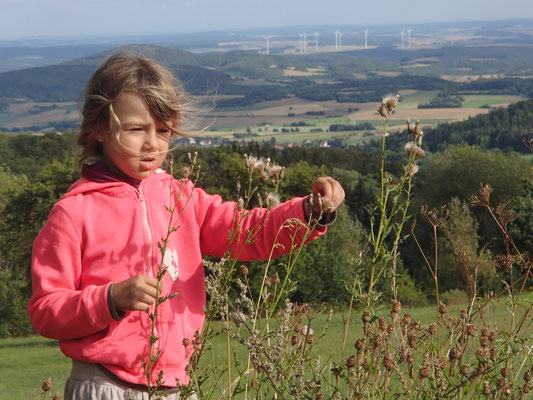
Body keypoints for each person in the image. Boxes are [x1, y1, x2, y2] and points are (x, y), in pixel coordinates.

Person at [28, 53, 345, 399]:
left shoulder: (182, 199)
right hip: (103, 385)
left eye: (163, 131)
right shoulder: (74, 213)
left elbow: (247, 234)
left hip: (174, 387)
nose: (152, 143)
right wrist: (109, 299)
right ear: (99, 129)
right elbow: (46, 311)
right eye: (136, 129)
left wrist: (308, 213)